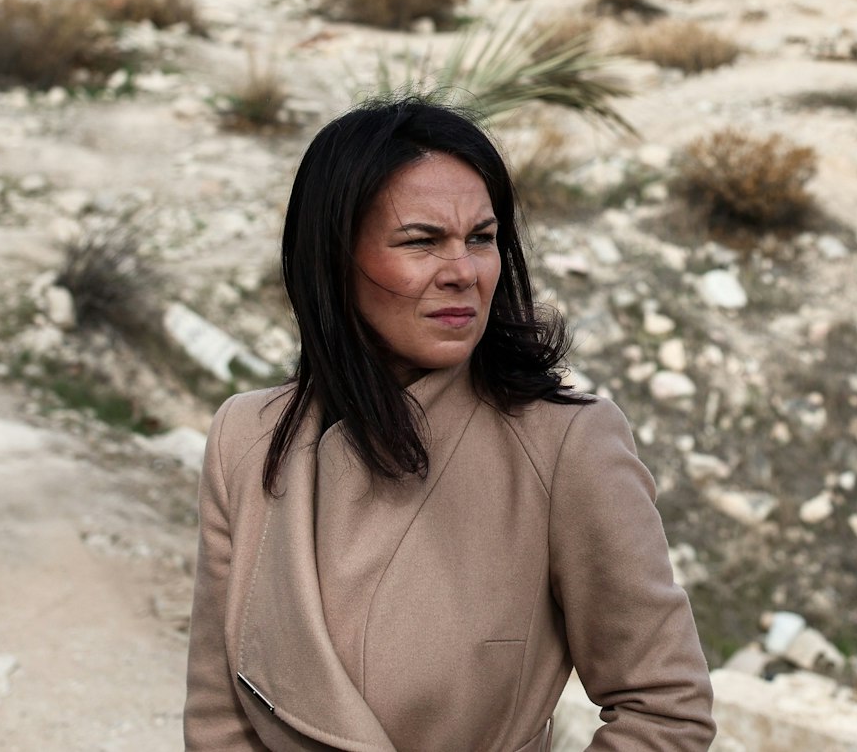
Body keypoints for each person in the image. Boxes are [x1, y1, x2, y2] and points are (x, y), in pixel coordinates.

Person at [185, 98, 714, 751]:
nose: (463, 272)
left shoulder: (565, 443)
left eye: (482, 238)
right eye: (421, 241)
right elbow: (219, 719)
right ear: (334, 257)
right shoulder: (247, 438)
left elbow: (665, 707)